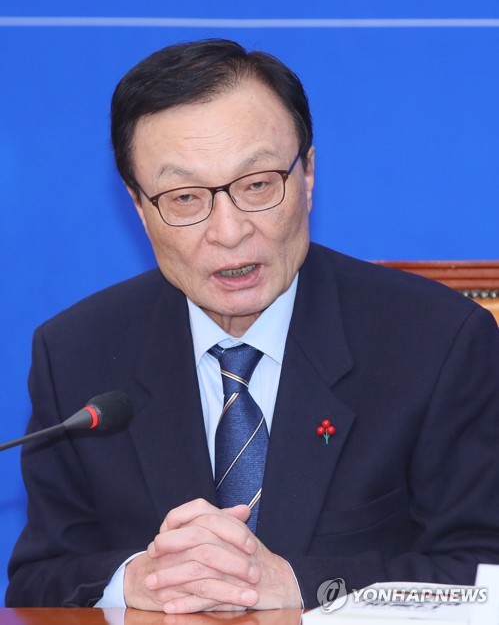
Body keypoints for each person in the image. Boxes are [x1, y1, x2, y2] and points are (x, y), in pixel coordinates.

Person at [6, 38, 499, 613]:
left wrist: (300, 585)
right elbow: (39, 583)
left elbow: (483, 567)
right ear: (139, 206)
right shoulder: (76, 353)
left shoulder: (436, 343)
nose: (229, 231)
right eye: (184, 198)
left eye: (258, 185)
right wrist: (135, 581)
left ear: (307, 174)